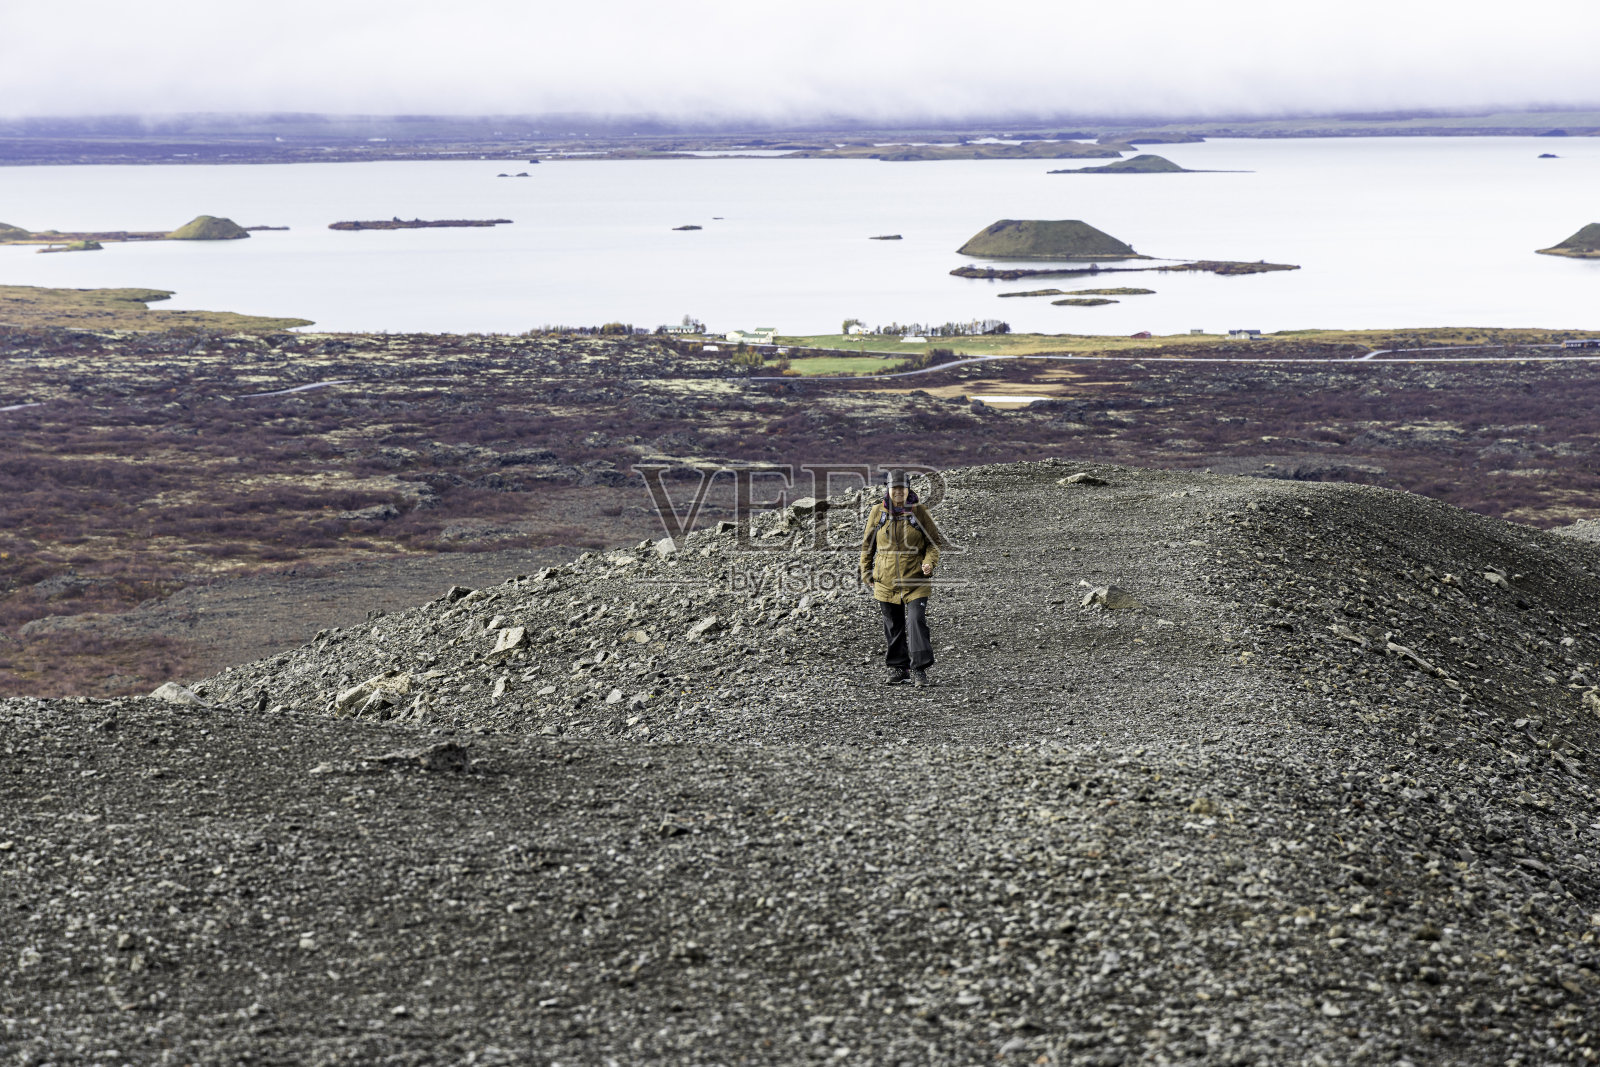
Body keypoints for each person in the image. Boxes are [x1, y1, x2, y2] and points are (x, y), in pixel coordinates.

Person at [859, 471, 946, 687]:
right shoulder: (877, 512)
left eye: (902, 488)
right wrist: (865, 572)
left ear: (908, 489)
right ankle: (900, 669)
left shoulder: (920, 512)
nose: (898, 492)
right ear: (888, 489)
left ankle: (919, 670)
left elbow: (933, 543)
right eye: (894, 488)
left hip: (915, 580)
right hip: (885, 580)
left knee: (916, 621)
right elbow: (867, 545)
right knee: (893, 625)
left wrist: (929, 563)